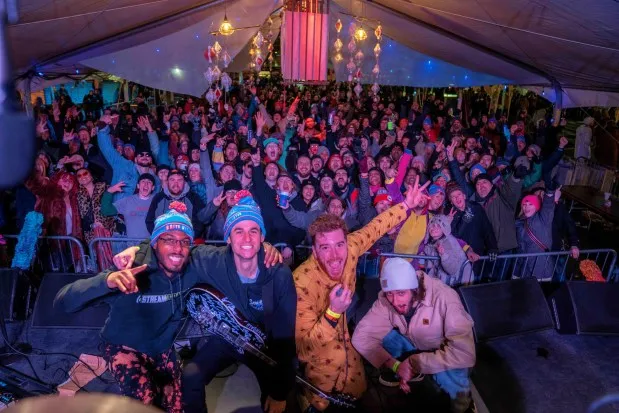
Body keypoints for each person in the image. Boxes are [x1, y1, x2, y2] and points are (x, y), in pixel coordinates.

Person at [112, 196, 294, 413]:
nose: (246, 238)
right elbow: (170, 247)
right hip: (227, 338)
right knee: (190, 377)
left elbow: (285, 340)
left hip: (264, 347)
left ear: (262, 236)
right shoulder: (211, 260)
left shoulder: (278, 275)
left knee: (280, 402)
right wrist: (138, 250)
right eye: (238, 231)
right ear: (228, 237)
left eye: (253, 231)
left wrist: (279, 393)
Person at [293, 177, 429, 412]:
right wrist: (332, 313)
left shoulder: (351, 248)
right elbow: (303, 349)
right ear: (314, 251)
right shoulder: (300, 281)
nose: (336, 256)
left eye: (340, 245)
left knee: (360, 391)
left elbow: (375, 228)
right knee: (320, 403)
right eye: (325, 247)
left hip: (346, 343)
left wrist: (406, 205)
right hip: (320, 358)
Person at [351, 258, 476, 413]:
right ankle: (410, 376)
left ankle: (464, 405)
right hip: (415, 346)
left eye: (401, 293)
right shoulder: (386, 301)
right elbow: (361, 337)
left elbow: (464, 354)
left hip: (445, 354)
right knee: (386, 336)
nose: (395, 301)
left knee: (457, 402)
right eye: (390, 294)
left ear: (415, 289)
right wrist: (395, 366)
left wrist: (414, 363)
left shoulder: (445, 298)